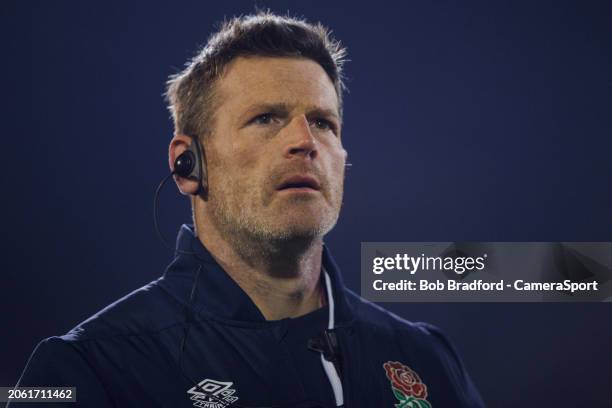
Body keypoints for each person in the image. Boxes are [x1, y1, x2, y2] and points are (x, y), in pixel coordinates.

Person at [13, 12, 485, 408]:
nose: (305, 142)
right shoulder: (89, 368)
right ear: (188, 164)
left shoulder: (424, 357)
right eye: (266, 119)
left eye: (323, 122)